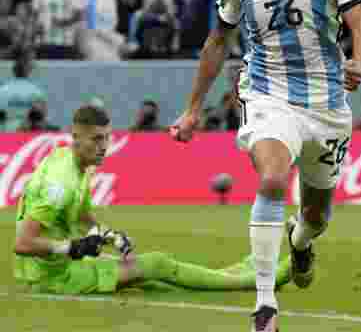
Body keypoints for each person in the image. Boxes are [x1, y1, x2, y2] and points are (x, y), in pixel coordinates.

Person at [169, 0, 361, 332]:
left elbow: (360, 24)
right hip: (266, 93)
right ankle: (265, 305)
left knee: (317, 215)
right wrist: (193, 109)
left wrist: (360, 61)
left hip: (325, 104)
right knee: (271, 178)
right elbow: (216, 42)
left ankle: (300, 243)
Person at [13, 105, 290, 296]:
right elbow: (23, 244)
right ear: (76, 137)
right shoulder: (60, 184)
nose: (104, 146)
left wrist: (107, 235)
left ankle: (236, 272)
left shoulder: (72, 161)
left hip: (61, 268)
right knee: (157, 264)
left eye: (107, 138)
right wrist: (72, 247)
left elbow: (81, 216)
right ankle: (255, 282)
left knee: (153, 278)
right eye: (96, 139)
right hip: (55, 279)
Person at [0, 47, 46, 132]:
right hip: (24, 139)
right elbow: (39, 122)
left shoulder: (2, 91)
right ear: (29, 68)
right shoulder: (37, 93)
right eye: (31, 62)